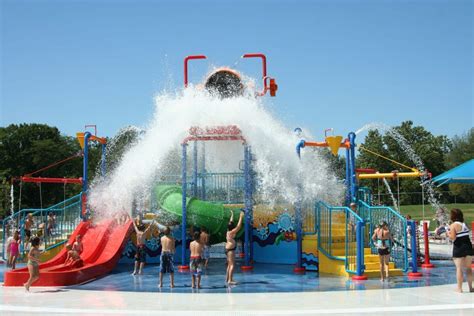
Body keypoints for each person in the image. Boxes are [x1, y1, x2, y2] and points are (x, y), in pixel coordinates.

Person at [447, 208, 473, 293]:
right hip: (468, 247)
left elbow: (453, 237)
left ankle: (459, 288)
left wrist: (448, 234)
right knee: (468, 268)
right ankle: (471, 288)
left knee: (459, 268)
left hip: (459, 248)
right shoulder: (465, 224)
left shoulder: (453, 225)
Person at [225, 209, 244, 285]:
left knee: (229, 264)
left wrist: (232, 214)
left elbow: (231, 221)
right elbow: (239, 226)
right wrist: (241, 216)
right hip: (230, 250)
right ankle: (230, 280)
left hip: (228, 249)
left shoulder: (228, 230)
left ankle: (227, 279)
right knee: (232, 264)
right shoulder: (232, 232)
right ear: (232, 227)